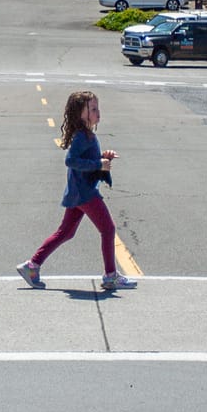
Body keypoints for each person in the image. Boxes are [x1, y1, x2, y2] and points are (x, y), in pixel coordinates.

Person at [17, 89, 137, 292]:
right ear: (80, 113)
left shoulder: (87, 135)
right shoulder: (82, 136)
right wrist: (98, 164)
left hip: (79, 192)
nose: (98, 112)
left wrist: (103, 157)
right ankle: (110, 276)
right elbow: (71, 160)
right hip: (85, 193)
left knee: (66, 232)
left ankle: (32, 266)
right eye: (93, 109)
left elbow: (87, 160)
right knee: (108, 229)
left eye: (98, 108)